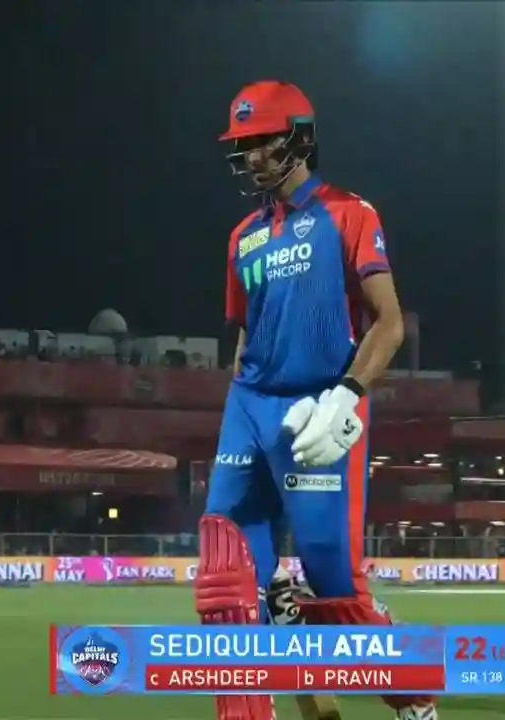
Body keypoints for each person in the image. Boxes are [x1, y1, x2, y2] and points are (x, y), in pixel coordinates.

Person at [194, 80, 435, 720]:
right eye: (242, 145)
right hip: (250, 406)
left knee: (334, 589)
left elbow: (389, 323)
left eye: (262, 141)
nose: (251, 156)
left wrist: (346, 398)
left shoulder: (350, 214)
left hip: (320, 410)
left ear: (300, 138)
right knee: (225, 572)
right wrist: (240, 412)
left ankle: (413, 698)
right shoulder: (243, 236)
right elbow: (246, 335)